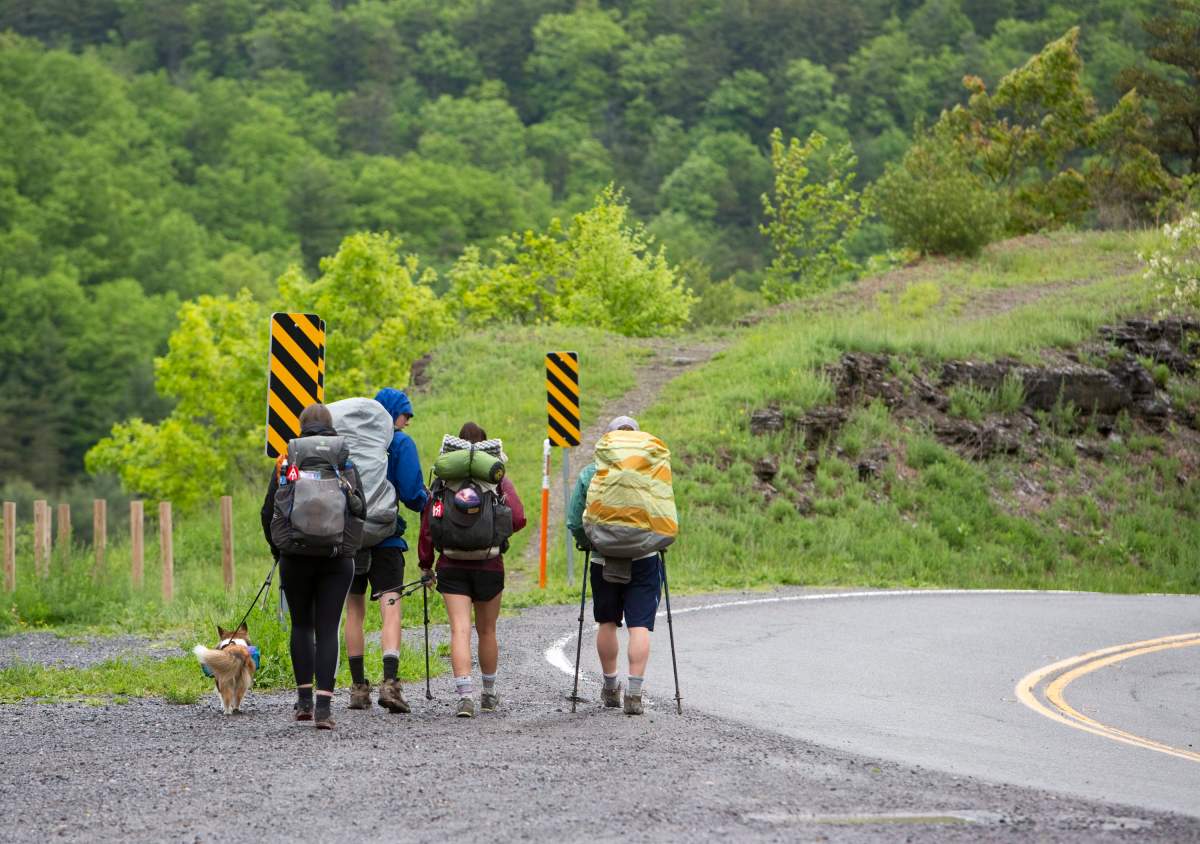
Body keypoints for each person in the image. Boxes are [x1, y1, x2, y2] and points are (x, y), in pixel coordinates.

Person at [261, 403, 365, 730]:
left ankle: (303, 702)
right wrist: (348, 549)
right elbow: (359, 508)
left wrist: (279, 550)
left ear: (302, 427)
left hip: (295, 556)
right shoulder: (343, 460)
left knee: (302, 626)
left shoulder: (286, 460)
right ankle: (323, 709)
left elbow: (268, 512)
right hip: (337, 558)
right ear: (330, 426)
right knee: (328, 628)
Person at [418, 422, 526, 718]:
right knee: (487, 630)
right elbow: (518, 518)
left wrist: (426, 565)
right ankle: (488, 694)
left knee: (460, 629)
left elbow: (428, 526)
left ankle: (465, 697)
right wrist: (494, 531)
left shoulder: (443, 481)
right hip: (490, 564)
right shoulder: (496, 479)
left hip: (452, 564)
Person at [566, 415, 662, 715]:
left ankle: (610, 688)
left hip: (602, 557)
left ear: (606, 440)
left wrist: (589, 541)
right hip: (644, 558)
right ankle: (634, 694)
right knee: (639, 626)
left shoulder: (592, 472)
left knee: (607, 622)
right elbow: (667, 516)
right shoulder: (652, 469)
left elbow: (574, 521)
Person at [344, 388, 429, 713]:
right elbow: (411, 492)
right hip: (387, 538)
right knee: (390, 605)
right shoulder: (399, 443)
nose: (407, 420)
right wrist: (426, 502)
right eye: (405, 414)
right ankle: (390, 684)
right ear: (391, 413)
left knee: (354, 611)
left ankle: (357, 688)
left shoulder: (350, 443)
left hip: (351, 537)